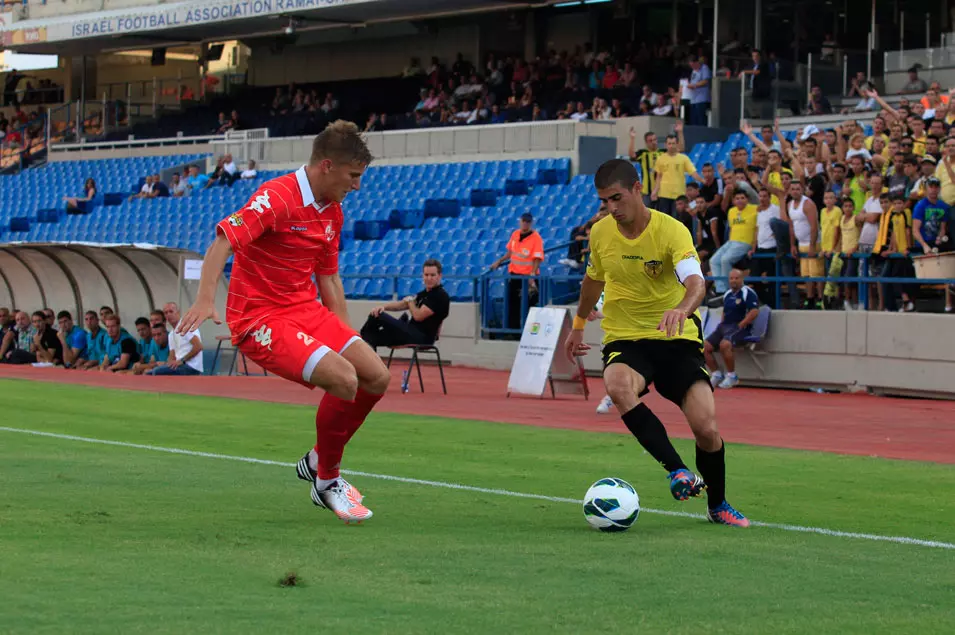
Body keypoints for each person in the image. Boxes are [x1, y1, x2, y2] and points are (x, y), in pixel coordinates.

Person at [177, 120, 390, 524]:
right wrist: (206, 299)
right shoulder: (277, 197)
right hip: (259, 317)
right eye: (354, 176)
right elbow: (224, 240)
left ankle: (317, 459)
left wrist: (344, 334)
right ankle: (327, 481)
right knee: (344, 380)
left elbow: (328, 276)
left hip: (304, 310)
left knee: (375, 377)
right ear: (327, 166)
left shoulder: (333, 211)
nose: (358, 186)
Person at [564, 158, 749, 528]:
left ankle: (718, 505)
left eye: (617, 198)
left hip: (675, 337)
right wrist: (579, 324)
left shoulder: (672, 231)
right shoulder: (601, 233)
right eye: (605, 201)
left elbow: (696, 283)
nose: (612, 208)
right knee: (617, 385)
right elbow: (591, 284)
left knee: (707, 429)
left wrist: (682, 309)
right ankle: (677, 471)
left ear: (637, 189)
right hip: (626, 337)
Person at [360, 259, 450, 348]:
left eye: (432, 275)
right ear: (422, 276)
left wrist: (410, 301)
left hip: (421, 338)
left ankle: (363, 345)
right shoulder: (424, 294)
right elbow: (402, 304)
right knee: (371, 335)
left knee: (378, 315)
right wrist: (383, 307)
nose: (429, 278)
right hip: (409, 332)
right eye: (426, 275)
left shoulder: (440, 295)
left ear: (439, 276)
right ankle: (368, 357)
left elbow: (418, 316)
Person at [704, 269, 760, 389]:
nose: (734, 281)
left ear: (742, 279)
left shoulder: (748, 293)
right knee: (704, 346)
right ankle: (716, 374)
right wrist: (722, 324)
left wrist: (741, 324)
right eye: (731, 278)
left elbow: (754, 311)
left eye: (736, 278)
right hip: (724, 326)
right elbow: (725, 311)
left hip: (739, 327)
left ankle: (732, 376)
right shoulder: (728, 294)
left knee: (725, 345)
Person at [489, 213, 545, 334]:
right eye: (523, 221)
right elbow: (510, 253)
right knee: (512, 304)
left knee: (530, 306)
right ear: (520, 221)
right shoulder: (515, 234)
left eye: (528, 222)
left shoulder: (536, 238)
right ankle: (512, 332)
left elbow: (537, 258)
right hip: (514, 275)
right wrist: (498, 261)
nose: (525, 223)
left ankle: (531, 333)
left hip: (527, 277)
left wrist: (532, 274)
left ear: (531, 223)